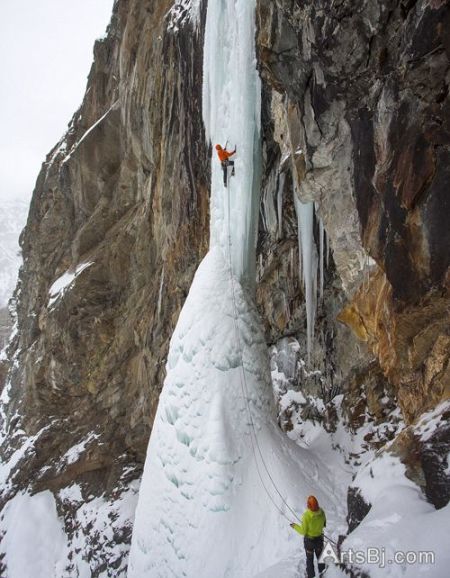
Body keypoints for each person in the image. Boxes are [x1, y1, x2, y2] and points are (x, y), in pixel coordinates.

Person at [290, 495, 327, 578]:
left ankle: (311, 576)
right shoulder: (322, 512)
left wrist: (295, 526)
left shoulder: (306, 515)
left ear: (308, 505)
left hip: (309, 542)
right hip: (319, 540)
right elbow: (324, 524)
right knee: (320, 558)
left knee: (309, 560)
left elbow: (303, 531)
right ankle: (323, 574)